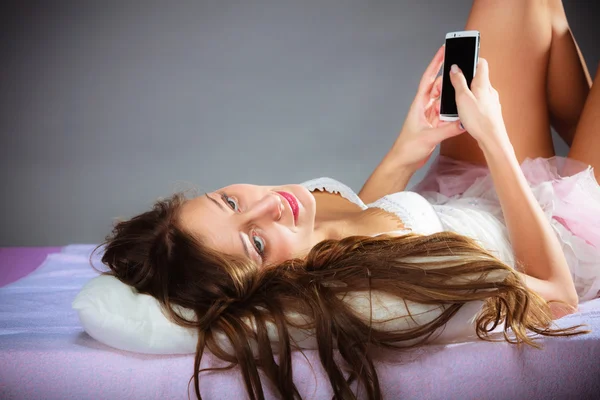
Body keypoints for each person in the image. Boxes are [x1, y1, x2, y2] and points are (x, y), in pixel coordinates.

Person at [97, 1, 599, 399]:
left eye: (229, 201)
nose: (267, 205)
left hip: (468, 189)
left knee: (517, 2)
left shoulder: (302, 225)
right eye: (254, 242)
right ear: (268, 286)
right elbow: (556, 295)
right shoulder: (379, 289)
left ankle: (584, 142)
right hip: (560, 232)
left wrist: (412, 143)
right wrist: (494, 140)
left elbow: (364, 212)